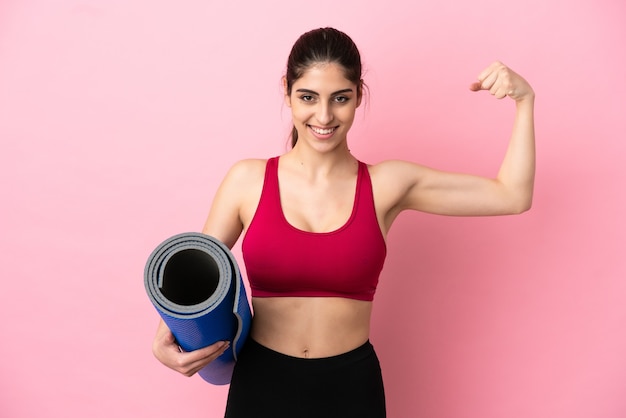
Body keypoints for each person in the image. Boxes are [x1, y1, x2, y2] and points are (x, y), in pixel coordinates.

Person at [151, 27, 535, 418]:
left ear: (358, 96)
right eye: (307, 97)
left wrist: (525, 101)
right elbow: (194, 286)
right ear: (287, 91)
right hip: (261, 384)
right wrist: (164, 341)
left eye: (340, 99)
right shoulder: (247, 180)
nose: (324, 116)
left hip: (350, 388)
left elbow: (512, 195)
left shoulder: (388, 184)